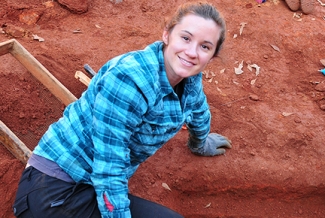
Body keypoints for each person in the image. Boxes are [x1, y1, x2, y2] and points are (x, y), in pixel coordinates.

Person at [13, 1, 231, 218]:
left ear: (211, 56)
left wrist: (200, 143)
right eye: (185, 38)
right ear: (166, 35)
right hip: (55, 189)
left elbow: (197, 108)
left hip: (89, 186)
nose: (192, 52)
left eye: (205, 46)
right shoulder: (129, 81)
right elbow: (109, 168)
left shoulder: (189, 78)